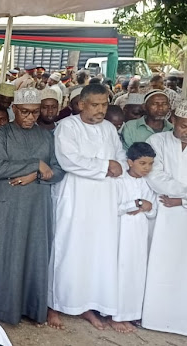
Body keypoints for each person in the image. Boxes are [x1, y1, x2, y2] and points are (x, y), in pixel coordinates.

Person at [48, 84, 128, 330]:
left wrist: (114, 166)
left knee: (97, 253)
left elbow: (121, 159)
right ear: (81, 104)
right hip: (75, 197)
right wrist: (105, 166)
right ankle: (55, 305)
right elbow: (70, 160)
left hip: (103, 199)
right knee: (69, 248)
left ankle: (88, 305)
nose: (101, 110)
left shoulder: (108, 129)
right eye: (95, 104)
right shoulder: (67, 127)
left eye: (104, 104)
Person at [0, 88, 65, 325]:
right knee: (6, 255)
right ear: (14, 110)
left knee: (34, 255)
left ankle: (32, 308)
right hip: (7, 205)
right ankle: (2, 310)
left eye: (35, 112)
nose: (30, 117)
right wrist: (36, 164)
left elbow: (58, 170)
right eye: (25, 112)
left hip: (37, 205)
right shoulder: (1, 135)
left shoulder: (47, 136)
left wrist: (36, 176)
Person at [140, 103, 187, 336]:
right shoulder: (157, 142)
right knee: (159, 265)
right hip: (163, 214)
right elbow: (154, 176)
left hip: (179, 208)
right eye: (184, 125)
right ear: (173, 120)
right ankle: (155, 317)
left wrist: (182, 199)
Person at [106, 142, 158, 333]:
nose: (147, 168)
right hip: (122, 234)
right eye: (143, 163)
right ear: (129, 162)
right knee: (121, 271)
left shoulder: (148, 182)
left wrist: (147, 207)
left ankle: (130, 314)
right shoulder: (119, 181)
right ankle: (115, 315)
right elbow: (114, 208)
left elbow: (153, 210)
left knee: (136, 273)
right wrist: (136, 203)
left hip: (140, 233)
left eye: (150, 164)